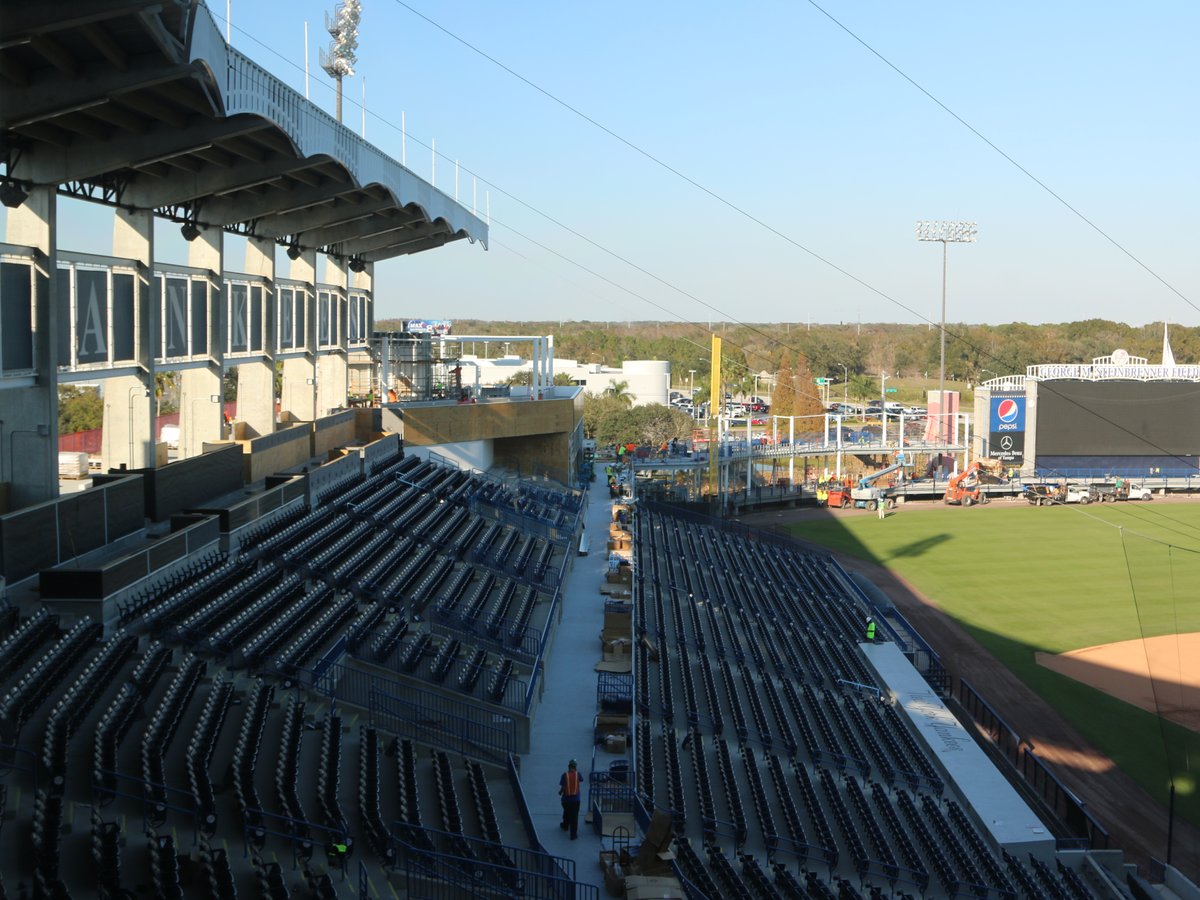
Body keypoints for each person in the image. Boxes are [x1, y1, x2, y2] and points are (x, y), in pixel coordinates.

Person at [559, 759, 584, 839]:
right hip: (576, 801)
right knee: (574, 817)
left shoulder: (564, 775)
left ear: (568, 766)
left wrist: (560, 792)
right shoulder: (578, 774)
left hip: (566, 800)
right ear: (575, 767)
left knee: (566, 812)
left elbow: (563, 787)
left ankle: (565, 825)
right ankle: (573, 835)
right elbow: (581, 779)